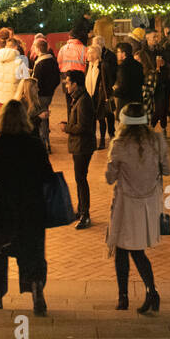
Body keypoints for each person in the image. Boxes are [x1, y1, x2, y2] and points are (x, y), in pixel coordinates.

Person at [0, 99, 54, 313]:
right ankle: (36, 290)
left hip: (0, 208)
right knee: (32, 252)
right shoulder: (34, 144)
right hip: (30, 207)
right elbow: (47, 175)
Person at [105, 103, 170, 314]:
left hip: (126, 204)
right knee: (132, 249)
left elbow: (109, 177)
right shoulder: (157, 141)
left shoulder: (119, 144)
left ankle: (132, 295)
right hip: (150, 203)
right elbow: (167, 169)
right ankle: (146, 292)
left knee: (127, 250)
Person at [60, 70, 97, 229]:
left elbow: (83, 126)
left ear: (75, 84)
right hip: (80, 144)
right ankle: (81, 210)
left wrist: (66, 127)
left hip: (83, 145)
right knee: (79, 178)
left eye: (68, 82)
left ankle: (85, 214)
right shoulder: (79, 98)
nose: (66, 85)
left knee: (81, 179)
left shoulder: (83, 101)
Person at [31, 39, 60, 150]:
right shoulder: (52, 60)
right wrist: (51, 89)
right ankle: (46, 140)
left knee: (40, 117)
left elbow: (36, 81)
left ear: (38, 48)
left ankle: (42, 143)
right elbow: (57, 79)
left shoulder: (40, 63)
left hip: (41, 94)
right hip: (49, 94)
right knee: (45, 116)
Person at [85, 42, 116, 147]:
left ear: (97, 54)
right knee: (92, 119)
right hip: (90, 96)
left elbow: (109, 81)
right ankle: (93, 140)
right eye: (88, 53)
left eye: (91, 53)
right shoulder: (88, 66)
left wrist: (107, 95)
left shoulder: (103, 65)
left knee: (101, 118)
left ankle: (102, 140)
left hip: (101, 96)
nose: (88, 55)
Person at [112, 41, 145, 116]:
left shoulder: (123, 67)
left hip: (125, 102)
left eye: (118, 52)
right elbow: (142, 81)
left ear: (123, 54)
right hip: (137, 100)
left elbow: (123, 86)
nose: (117, 54)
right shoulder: (138, 65)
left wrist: (114, 92)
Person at [0, 39, 24, 107]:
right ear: (16, 47)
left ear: (6, 46)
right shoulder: (19, 61)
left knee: (1, 116)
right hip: (13, 97)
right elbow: (23, 80)